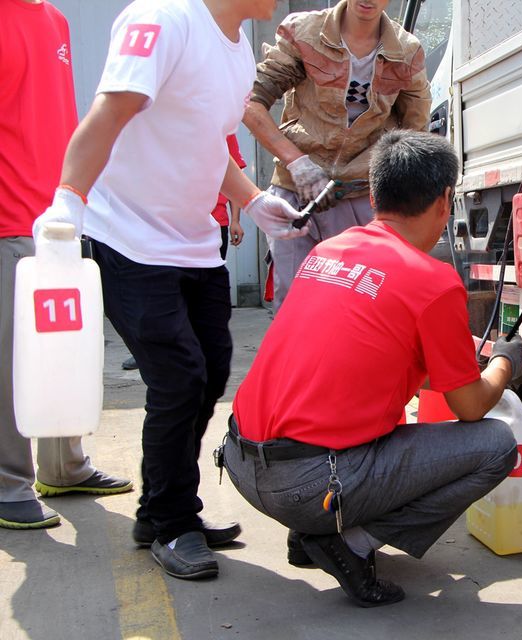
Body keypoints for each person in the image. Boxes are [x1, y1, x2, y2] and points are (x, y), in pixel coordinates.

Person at [32, 0, 306, 579]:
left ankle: (158, 510)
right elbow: (108, 115)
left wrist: (251, 200)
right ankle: (175, 522)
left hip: (191, 241)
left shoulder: (235, 50)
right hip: (127, 239)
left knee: (210, 370)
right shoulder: (161, 20)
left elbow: (208, 145)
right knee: (178, 376)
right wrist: (67, 201)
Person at [224, 131, 522, 607]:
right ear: (446, 200)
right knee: (495, 445)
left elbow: (372, 356)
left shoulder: (332, 251)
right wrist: (506, 363)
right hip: (304, 484)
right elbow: (468, 407)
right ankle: (347, 541)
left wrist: (456, 369)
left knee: (378, 427)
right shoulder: (434, 281)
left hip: (243, 463)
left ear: (373, 195)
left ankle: (313, 531)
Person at [0, 0, 132, 530]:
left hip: (55, 214)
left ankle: (64, 464)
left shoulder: (53, 18)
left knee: (62, 348)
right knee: (13, 359)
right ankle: (9, 483)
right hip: (8, 216)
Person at [243, 0, 432, 310]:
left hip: (360, 194)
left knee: (358, 308)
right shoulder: (303, 32)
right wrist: (297, 161)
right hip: (296, 192)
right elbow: (250, 103)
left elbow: (414, 133)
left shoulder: (407, 51)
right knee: (294, 306)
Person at [121, 133, 246, 372]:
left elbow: (235, 172)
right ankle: (154, 350)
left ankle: (196, 349)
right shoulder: (158, 122)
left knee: (201, 293)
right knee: (163, 291)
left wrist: (236, 220)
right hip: (169, 224)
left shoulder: (220, 124)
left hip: (213, 222)